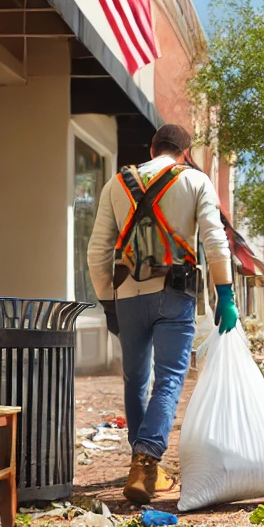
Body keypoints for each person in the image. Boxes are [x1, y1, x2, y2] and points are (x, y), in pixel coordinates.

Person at [87, 122, 238, 507]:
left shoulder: (116, 184)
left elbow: (97, 251)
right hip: (174, 293)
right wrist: (225, 294)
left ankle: (140, 463)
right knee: (170, 377)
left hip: (127, 294)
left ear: (152, 147)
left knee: (136, 378)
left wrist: (107, 301)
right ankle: (147, 458)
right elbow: (215, 242)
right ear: (185, 153)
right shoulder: (194, 181)